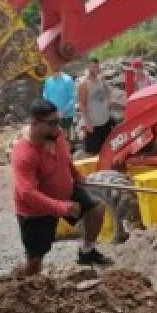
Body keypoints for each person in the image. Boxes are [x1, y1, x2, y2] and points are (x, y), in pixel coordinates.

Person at [12, 99, 111, 275]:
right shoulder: (24, 154)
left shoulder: (55, 135)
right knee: (35, 261)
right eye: (52, 123)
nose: (58, 127)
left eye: (58, 121)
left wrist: (76, 175)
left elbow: (66, 157)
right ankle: (24, 288)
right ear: (35, 123)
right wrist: (61, 207)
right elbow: (26, 193)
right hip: (36, 210)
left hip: (65, 192)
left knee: (96, 208)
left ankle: (87, 252)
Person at [77, 58, 114, 155]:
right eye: (93, 66)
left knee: (108, 150)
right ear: (88, 67)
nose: (96, 69)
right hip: (93, 124)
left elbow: (108, 93)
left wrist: (107, 102)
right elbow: (82, 104)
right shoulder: (84, 84)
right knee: (94, 152)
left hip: (105, 120)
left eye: (97, 66)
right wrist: (87, 123)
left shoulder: (100, 79)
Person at [41, 67, 76, 132]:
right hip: (52, 115)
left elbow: (73, 98)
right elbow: (45, 96)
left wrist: (63, 111)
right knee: (53, 136)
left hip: (66, 116)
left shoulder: (68, 80)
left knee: (65, 136)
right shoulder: (48, 81)